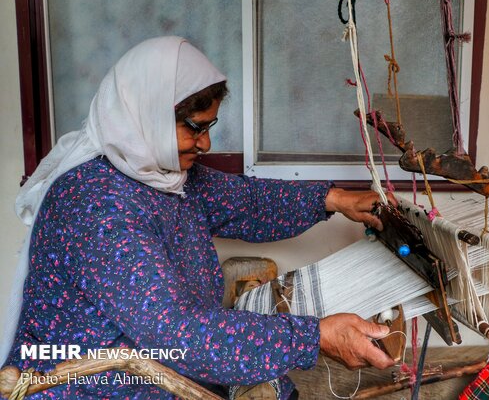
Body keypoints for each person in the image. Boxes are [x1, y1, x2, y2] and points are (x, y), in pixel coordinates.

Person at [1, 36, 395, 399]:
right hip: (88, 385)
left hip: (156, 368)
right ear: (147, 117)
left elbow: (249, 202)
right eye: (195, 128)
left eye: (210, 127)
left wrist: (335, 199)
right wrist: (314, 338)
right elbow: (174, 332)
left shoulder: (162, 174)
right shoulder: (96, 204)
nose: (205, 143)